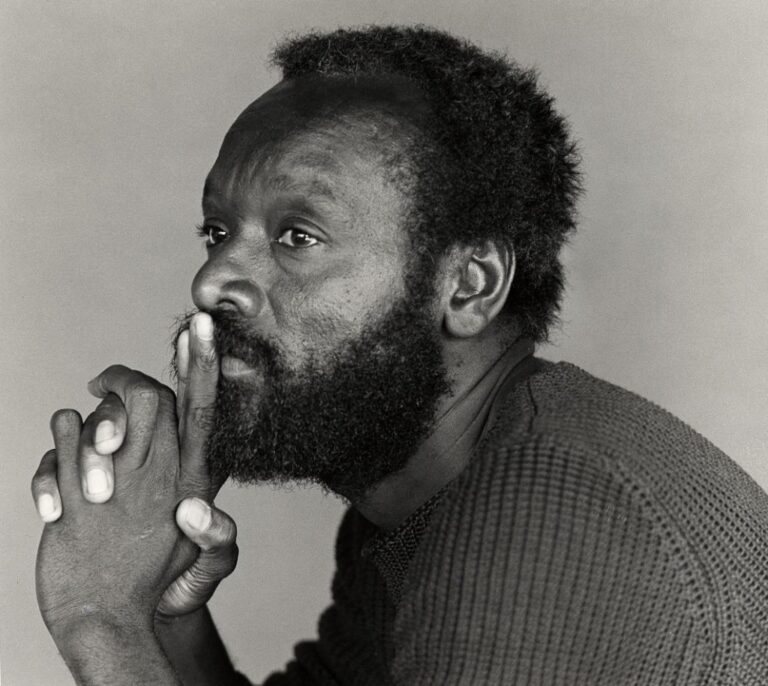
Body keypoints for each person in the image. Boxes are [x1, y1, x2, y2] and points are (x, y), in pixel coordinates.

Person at [32, 25, 768, 685]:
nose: (211, 282)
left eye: (298, 236)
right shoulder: (418, 500)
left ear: (469, 284)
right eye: (217, 233)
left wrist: (98, 616)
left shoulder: (551, 512)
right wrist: (162, 606)